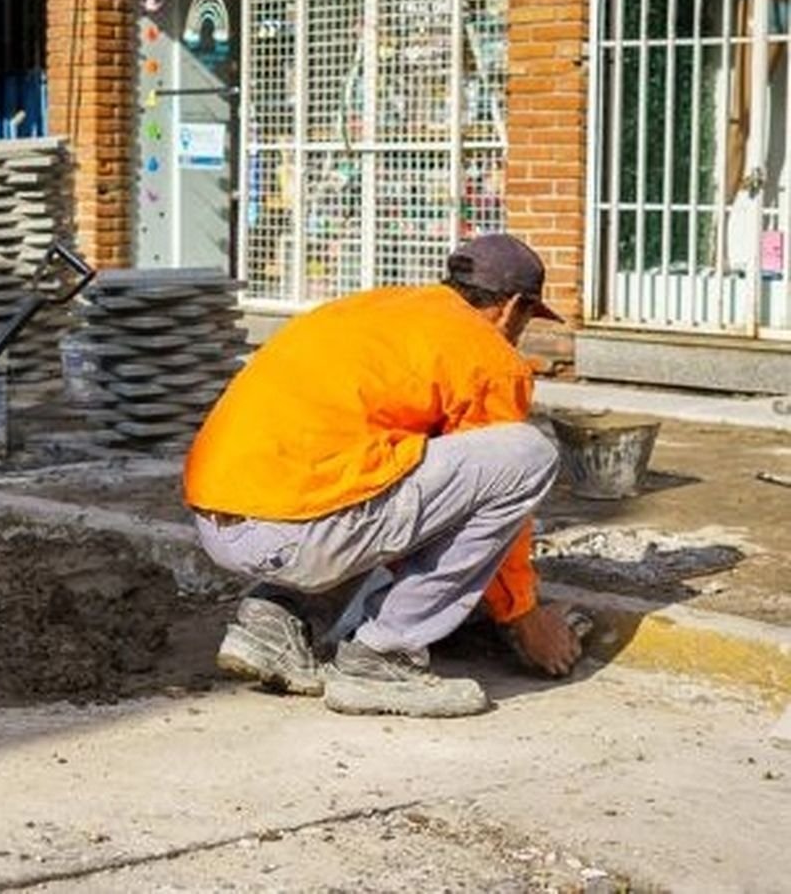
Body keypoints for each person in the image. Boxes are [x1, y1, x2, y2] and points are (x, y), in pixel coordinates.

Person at [183, 233, 585, 718]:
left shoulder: (377, 309)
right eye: (526, 319)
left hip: (218, 518)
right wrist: (524, 615)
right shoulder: (487, 356)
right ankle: (383, 657)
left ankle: (275, 620)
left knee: (382, 466)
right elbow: (498, 499)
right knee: (526, 455)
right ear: (513, 307)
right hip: (294, 533)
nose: (521, 332)